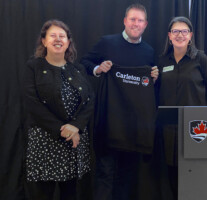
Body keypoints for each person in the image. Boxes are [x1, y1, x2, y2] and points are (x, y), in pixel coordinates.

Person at [80, 3, 159, 200]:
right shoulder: (107, 43)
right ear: (125, 21)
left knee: (127, 177)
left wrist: (155, 78)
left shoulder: (149, 52)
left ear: (146, 24)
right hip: (108, 122)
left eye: (140, 20)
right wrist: (99, 68)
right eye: (132, 19)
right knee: (105, 174)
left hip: (134, 128)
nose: (136, 23)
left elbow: (148, 87)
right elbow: (84, 62)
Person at [22, 19, 94, 200]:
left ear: (68, 42)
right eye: (52, 35)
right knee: (42, 194)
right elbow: (32, 104)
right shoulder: (34, 67)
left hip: (74, 142)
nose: (58, 39)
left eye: (62, 36)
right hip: (45, 142)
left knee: (70, 193)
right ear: (44, 41)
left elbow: (90, 100)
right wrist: (63, 130)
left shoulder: (77, 69)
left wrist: (76, 126)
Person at [156, 16, 207, 198]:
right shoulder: (162, 62)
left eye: (184, 31)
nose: (180, 35)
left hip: (196, 128)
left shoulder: (201, 60)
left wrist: (205, 115)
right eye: (175, 31)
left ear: (190, 35)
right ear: (169, 36)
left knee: (195, 173)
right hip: (169, 130)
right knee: (172, 175)